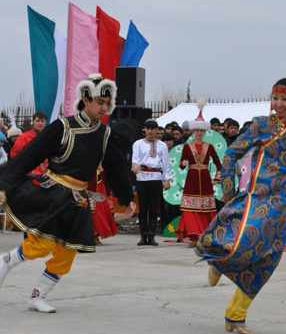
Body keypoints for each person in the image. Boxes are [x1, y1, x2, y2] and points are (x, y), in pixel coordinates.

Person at [0, 74, 135, 313]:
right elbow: (31, 154)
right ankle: (7, 260)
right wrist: (5, 181)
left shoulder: (105, 135)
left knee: (67, 253)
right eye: (100, 102)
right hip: (53, 193)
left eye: (107, 104)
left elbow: (116, 169)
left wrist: (125, 198)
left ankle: (37, 296)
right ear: (86, 99)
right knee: (40, 245)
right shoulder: (63, 127)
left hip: (79, 200)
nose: (104, 108)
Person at [195, 78, 286, 334]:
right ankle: (220, 261)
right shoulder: (261, 124)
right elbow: (231, 153)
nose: (279, 104)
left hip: (283, 205)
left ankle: (236, 315)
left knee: (268, 259)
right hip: (258, 198)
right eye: (275, 98)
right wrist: (228, 189)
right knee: (246, 244)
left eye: (285, 99)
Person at [176, 101, 221, 246]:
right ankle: (193, 236)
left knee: (206, 208)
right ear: (193, 131)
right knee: (190, 208)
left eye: (201, 131)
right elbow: (182, 162)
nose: (199, 133)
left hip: (206, 180)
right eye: (196, 130)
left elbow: (218, 164)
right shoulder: (187, 146)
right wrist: (182, 164)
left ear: (205, 132)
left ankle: (205, 235)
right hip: (192, 180)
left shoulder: (210, 146)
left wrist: (217, 177)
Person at [132, 119, 171, 246]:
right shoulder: (138, 143)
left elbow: (166, 163)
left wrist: (167, 180)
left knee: (154, 209)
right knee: (143, 209)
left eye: (152, 129)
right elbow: (135, 158)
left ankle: (152, 236)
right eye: (147, 128)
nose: (150, 131)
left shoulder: (162, 145)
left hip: (156, 178)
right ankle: (143, 236)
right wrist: (135, 166)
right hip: (142, 178)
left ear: (156, 130)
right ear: (144, 129)